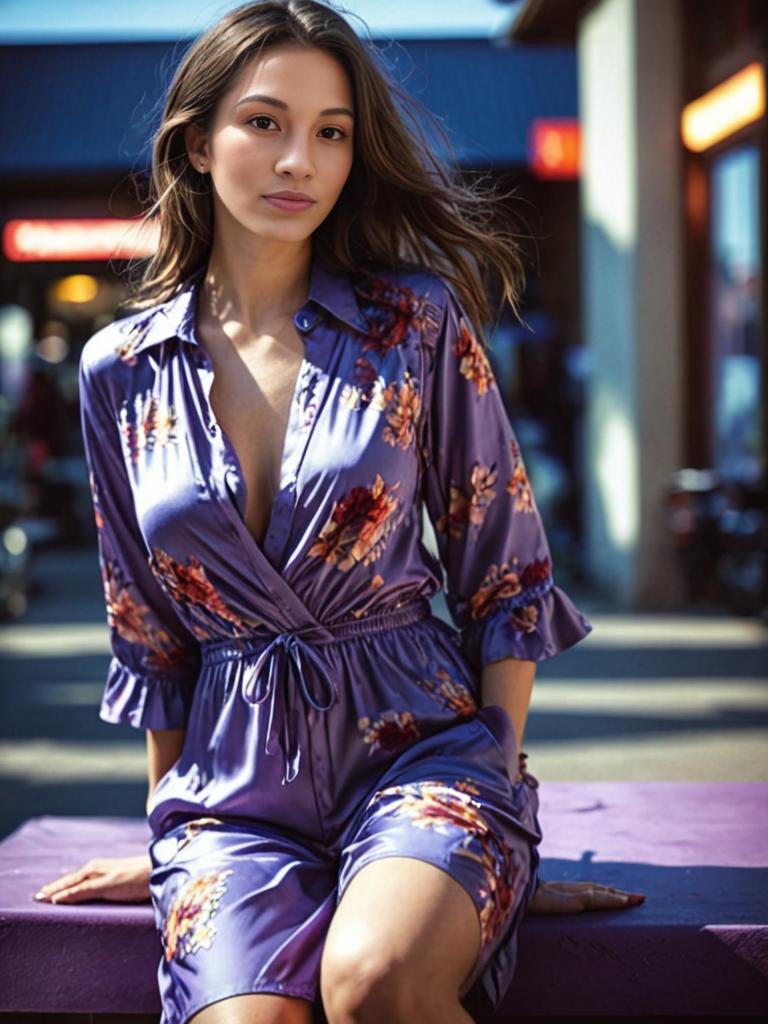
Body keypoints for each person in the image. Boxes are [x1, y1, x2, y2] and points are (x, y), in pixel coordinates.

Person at [32, 3, 645, 1022]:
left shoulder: (415, 323)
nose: (298, 160)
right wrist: (170, 838)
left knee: (378, 980)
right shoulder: (120, 371)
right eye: (264, 123)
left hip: (423, 761)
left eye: (331, 132)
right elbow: (146, 629)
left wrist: (489, 792)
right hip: (232, 795)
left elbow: (507, 570)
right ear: (196, 143)